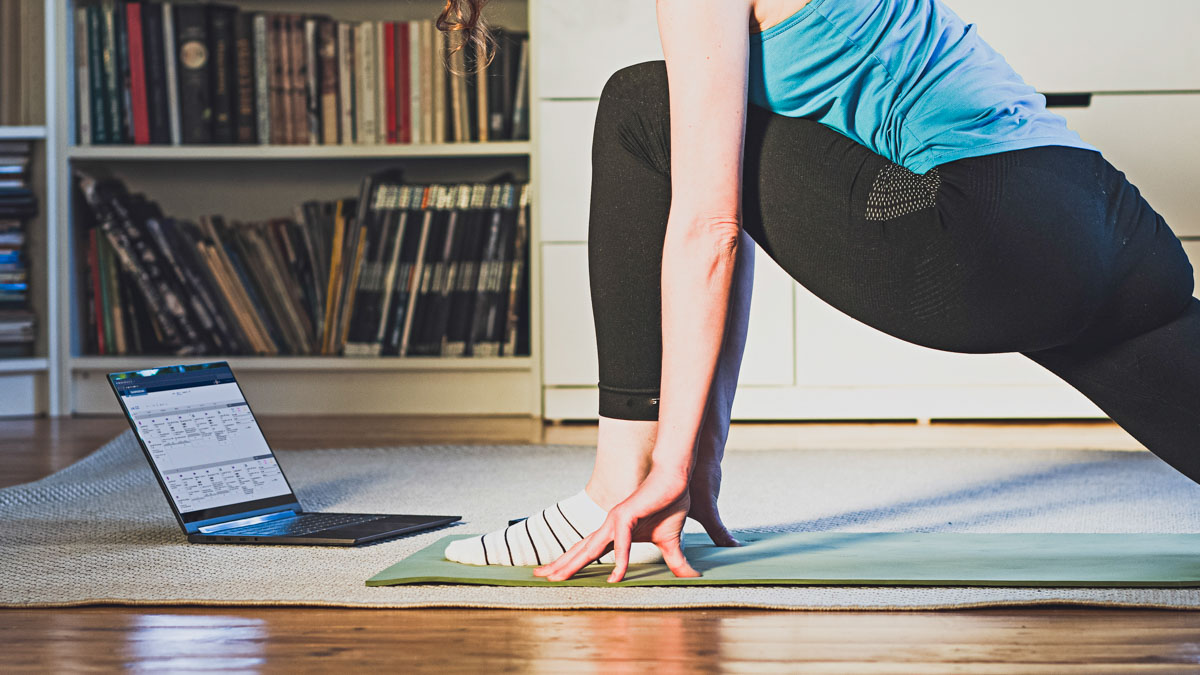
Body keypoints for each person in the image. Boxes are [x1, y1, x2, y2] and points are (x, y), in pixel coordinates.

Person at [437, 0, 1200, 583]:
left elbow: (712, 226)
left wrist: (668, 464)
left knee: (641, 107)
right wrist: (700, 447)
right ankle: (641, 474)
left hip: (986, 231)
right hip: (1110, 223)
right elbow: (730, 213)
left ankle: (615, 486)